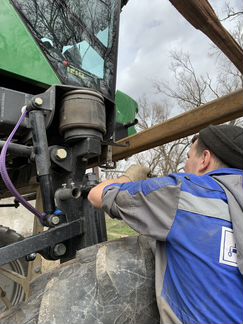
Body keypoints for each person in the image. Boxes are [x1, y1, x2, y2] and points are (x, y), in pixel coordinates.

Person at [88, 124, 243, 324]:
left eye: (188, 158)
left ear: (204, 159)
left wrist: (130, 177)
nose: (185, 166)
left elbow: (96, 195)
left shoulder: (182, 191)